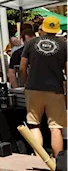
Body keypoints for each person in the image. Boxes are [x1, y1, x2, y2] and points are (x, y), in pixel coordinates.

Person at [20, 16, 68, 158]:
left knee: (34, 125)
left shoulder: (31, 43)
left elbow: (22, 68)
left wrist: (25, 84)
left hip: (33, 89)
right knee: (56, 128)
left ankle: (40, 160)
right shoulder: (64, 45)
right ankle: (58, 165)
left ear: (42, 28)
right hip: (55, 90)